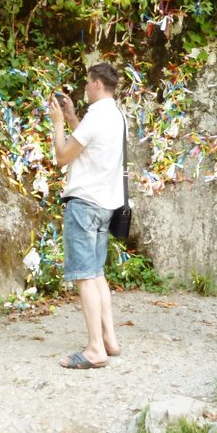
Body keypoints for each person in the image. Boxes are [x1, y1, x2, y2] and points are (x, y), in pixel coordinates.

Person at [48, 62, 126, 369]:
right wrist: (71, 118)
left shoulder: (96, 117)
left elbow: (62, 156)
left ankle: (95, 349)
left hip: (84, 205)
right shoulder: (116, 116)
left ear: (96, 84)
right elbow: (91, 145)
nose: (83, 88)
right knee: (97, 273)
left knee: (84, 276)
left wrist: (57, 123)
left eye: (86, 83)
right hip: (106, 205)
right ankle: (109, 339)